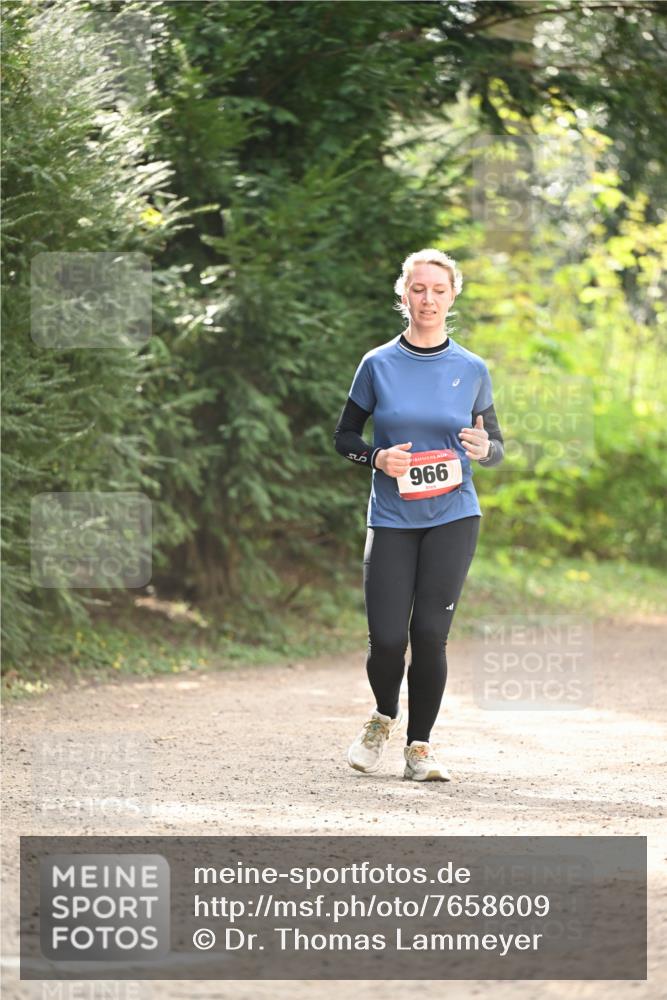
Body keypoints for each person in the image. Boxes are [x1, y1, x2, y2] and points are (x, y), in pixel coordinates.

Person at [334, 249, 504, 782]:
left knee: (430, 633)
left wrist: (484, 449)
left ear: (453, 295)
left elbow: (495, 444)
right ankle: (383, 716)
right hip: (390, 516)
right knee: (387, 638)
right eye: (418, 289)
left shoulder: (472, 368)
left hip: (453, 515)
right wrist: (376, 457)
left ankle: (420, 747)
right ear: (403, 294)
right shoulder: (377, 363)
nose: (427, 299)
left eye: (437, 289)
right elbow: (344, 437)